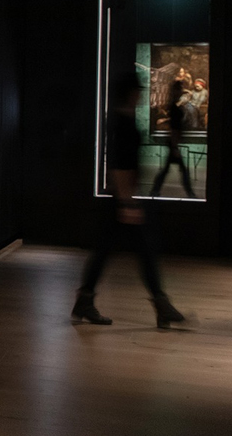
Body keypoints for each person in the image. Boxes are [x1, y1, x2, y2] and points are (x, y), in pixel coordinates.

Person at [73, 72, 185, 328]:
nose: (141, 94)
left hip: (121, 200)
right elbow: (119, 166)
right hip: (122, 201)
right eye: (138, 90)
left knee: (107, 251)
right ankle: (161, 304)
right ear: (130, 93)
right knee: (143, 250)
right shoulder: (123, 124)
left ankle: (86, 300)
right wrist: (127, 202)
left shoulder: (122, 119)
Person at [151, 77, 194, 197]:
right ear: (176, 91)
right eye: (180, 89)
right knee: (181, 170)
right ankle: (190, 193)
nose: (182, 91)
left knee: (166, 170)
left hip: (173, 143)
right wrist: (175, 147)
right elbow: (174, 129)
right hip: (173, 143)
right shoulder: (175, 108)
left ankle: (155, 190)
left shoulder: (174, 106)